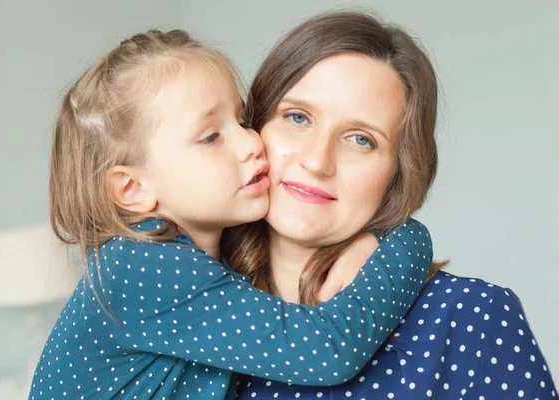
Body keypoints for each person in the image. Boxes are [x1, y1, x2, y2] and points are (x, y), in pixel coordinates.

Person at [29, 28, 434, 400]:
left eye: (241, 120)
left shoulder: (205, 263)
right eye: (211, 137)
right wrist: (407, 240)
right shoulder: (138, 266)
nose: (250, 142)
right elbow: (326, 351)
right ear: (134, 189)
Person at [229, 12, 558, 399]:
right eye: (297, 117)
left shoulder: (471, 318)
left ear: (398, 173)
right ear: (251, 127)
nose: (317, 161)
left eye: (361, 139)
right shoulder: (179, 302)